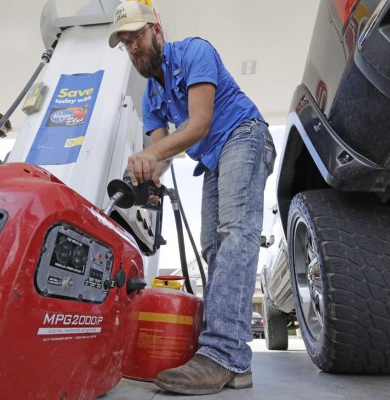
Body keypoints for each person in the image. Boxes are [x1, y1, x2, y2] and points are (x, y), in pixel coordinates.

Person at [109, 1, 276, 395]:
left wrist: (153, 155)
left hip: (244, 134)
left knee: (236, 233)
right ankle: (233, 361)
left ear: (157, 30)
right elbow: (162, 155)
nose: (134, 46)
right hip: (215, 159)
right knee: (212, 246)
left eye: (139, 35)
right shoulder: (151, 96)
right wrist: (144, 172)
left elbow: (199, 124)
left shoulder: (195, 51)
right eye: (126, 42)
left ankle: (221, 355)